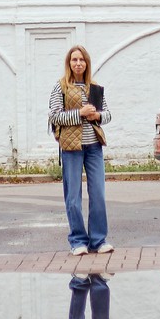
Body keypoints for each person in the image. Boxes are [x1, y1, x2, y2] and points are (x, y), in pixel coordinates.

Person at [48, 43, 113, 255]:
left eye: (82, 60)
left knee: (98, 194)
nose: (78, 63)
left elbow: (108, 114)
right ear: (69, 63)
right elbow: (54, 117)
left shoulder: (94, 87)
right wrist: (80, 113)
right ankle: (78, 242)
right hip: (71, 148)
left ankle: (98, 240)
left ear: (87, 63)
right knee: (73, 197)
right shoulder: (61, 87)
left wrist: (98, 116)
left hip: (94, 147)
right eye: (74, 60)